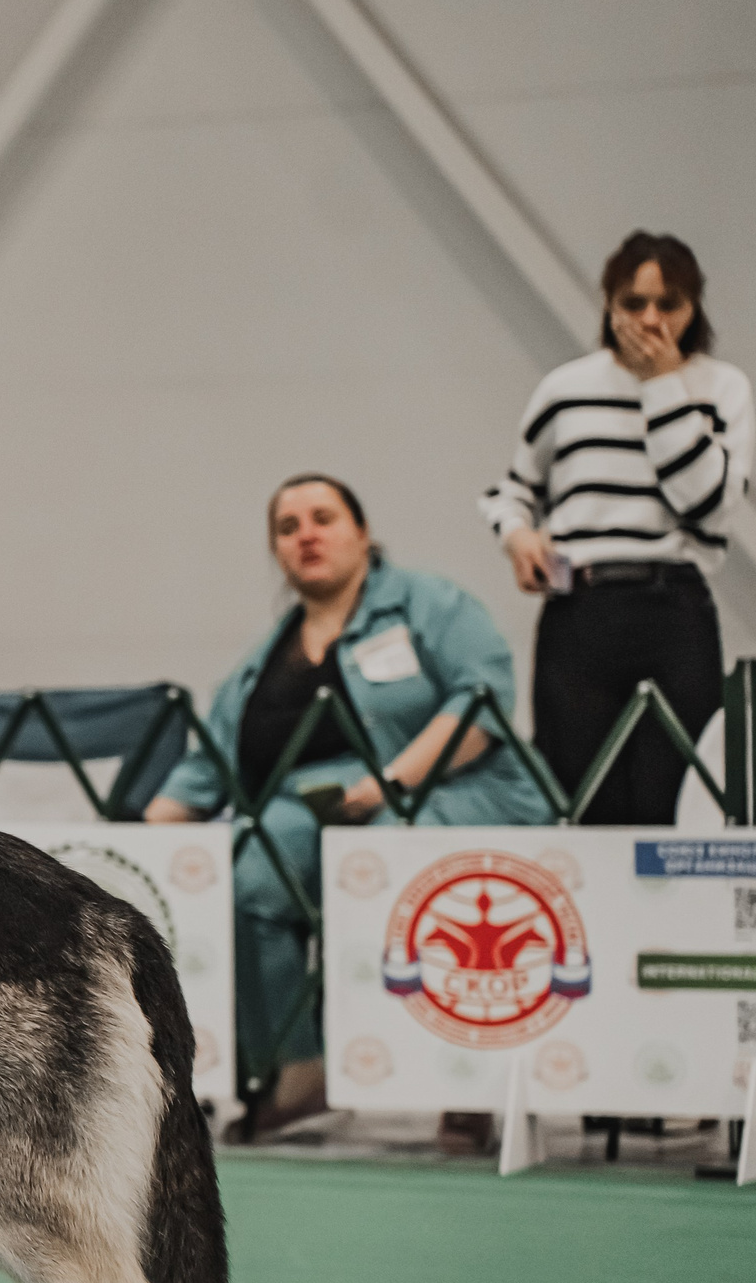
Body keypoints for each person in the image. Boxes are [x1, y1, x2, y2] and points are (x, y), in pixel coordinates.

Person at [148, 475, 550, 1139]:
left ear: (362, 534)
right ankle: (299, 1072)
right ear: (276, 550)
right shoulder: (263, 659)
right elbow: (208, 762)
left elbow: (480, 703)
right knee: (251, 867)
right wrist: (144, 834)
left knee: (390, 844)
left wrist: (390, 781)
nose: (306, 533)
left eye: (323, 517)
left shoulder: (430, 603)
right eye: (287, 525)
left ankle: (467, 1077)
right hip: (314, 806)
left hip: (453, 786)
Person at [481, 231, 751, 824]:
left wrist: (662, 384)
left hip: (673, 603)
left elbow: (705, 499)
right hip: (581, 604)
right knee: (580, 794)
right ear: (608, 304)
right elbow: (512, 490)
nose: (650, 319)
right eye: (633, 303)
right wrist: (518, 535)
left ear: (693, 308)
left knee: (676, 799)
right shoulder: (567, 388)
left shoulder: (722, 388)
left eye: (669, 304)